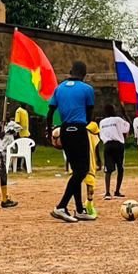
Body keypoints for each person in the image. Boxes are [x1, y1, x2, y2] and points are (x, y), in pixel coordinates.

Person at [47, 61, 96, 223]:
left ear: (70, 71)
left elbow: (50, 112)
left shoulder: (59, 88)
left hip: (64, 130)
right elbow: (89, 115)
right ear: (84, 74)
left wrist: (49, 133)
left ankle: (80, 209)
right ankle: (61, 206)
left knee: (76, 171)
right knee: (82, 171)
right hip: (79, 130)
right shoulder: (87, 89)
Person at [99, 103, 130, 199]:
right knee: (120, 168)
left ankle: (107, 192)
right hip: (118, 144)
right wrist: (125, 113)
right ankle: (117, 191)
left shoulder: (102, 122)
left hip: (107, 145)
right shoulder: (118, 120)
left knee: (108, 169)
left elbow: (101, 135)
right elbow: (127, 127)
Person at [82, 119, 101, 217]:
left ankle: (89, 204)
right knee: (77, 182)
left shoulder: (93, 126)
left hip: (90, 159)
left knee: (90, 184)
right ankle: (80, 207)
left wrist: (98, 159)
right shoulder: (74, 125)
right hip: (78, 157)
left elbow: (96, 143)